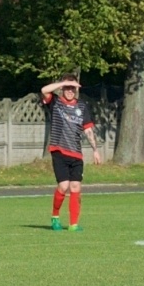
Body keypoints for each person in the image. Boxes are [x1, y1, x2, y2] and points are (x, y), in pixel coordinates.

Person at [41, 74, 102, 231]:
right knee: (63, 186)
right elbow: (44, 90)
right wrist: (64, 82)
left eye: (72, 88)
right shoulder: (55, 103)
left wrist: (95, 150)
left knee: (75, 187)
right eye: (67, 88)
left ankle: (73, 224)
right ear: (62, 88)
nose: (70, 91)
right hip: (59, 151)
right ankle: (55, 217)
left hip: (76, 154)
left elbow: (88, 130)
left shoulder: (81, 106)